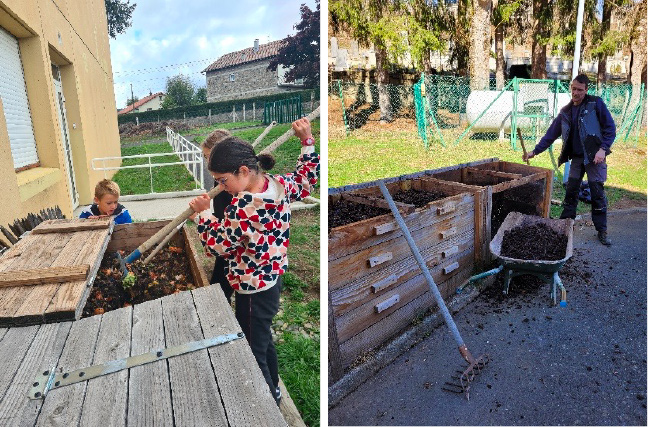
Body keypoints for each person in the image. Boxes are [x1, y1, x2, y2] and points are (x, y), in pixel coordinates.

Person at [188, 117, 319, 406]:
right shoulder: (278, 185)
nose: (221, 186)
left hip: (251, 290)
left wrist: (203, 215)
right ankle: (274, 389)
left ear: (244, 170)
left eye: (223, 180)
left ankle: (263, 405)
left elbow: (218, 245)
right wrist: (307, 141)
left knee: (252, 349)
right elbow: (307, 179)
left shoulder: (243, 206)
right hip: (272, 281)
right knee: (262, 339)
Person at [523, 74, 616, 246]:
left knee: (597, 194)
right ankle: (565, 227)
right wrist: (534, 152)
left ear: (586, 90)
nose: (576, 92)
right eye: (573, 88)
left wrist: (603, 150)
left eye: (580, 90)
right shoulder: (565, 112)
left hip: (594, 158)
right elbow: (551, 134)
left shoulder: (596, 104)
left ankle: (601, 231)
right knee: (571, 192)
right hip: (577, 159)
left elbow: (610, 128)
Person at [201, 128, 235, 303]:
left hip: (230, 245)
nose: (207, 162)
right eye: (205, 156)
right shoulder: (221, 179)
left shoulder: (233, 187)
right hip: (224, 238)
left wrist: (204, 215)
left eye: (209, 157)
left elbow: (224, 237)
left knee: (219, 289)